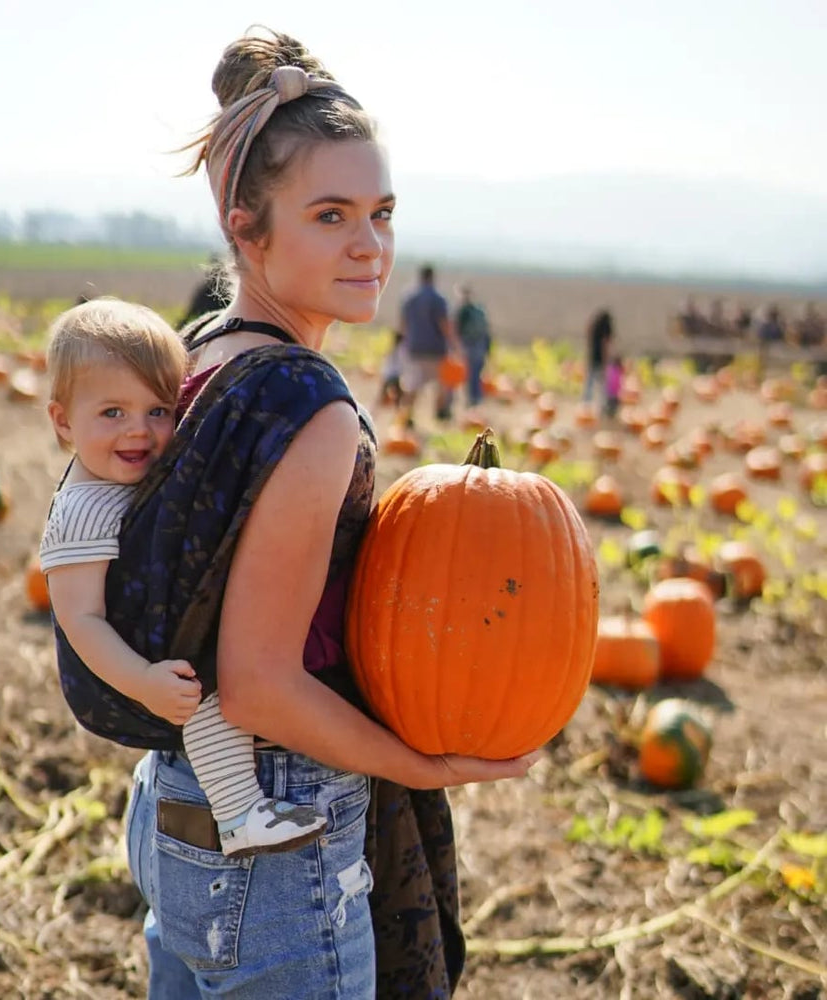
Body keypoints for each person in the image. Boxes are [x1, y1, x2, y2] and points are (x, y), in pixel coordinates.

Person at [50, 27, 537, 999]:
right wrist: (418, 762)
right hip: (275, 834)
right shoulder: (311, 414)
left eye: (381, 212)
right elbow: (262, 684)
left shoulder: (196, 354)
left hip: (176, 808)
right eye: (329, 214)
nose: (370, 244)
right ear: (246, 227)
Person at [40, 297, 327, 857]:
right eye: (113, 414)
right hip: (137, 655)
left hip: (154, 628)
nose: (139, 432)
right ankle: (240, 812)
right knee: (209, 696)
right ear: (62, 420)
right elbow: (80, 620)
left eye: (158, 411)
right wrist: (143, 679)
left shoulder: (116, 474)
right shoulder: (82, 510)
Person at [397, 264, 463, 425]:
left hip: (414, 348)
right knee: (442, 384)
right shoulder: (438, 298)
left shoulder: (409, 298)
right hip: (436, 349)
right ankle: (440, 415)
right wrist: (455, 346)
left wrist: (403, 343)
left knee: (413, 384)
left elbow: (403, 324)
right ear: (433, 277)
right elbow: (445, 324)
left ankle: (407, 417)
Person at [453, 283, 492, 407]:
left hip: (468, 347)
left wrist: (456, 347)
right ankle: (476, 400)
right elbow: (487, 331)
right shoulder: (479, 310)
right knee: (476, 375)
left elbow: (456, 330)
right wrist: (488, 349)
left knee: (469, 376)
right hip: (480, 347)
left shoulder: (463, 311)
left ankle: (472, 402)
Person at [582, 307, 613, 411]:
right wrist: (605, 361)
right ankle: (603, 405)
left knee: (590, 381)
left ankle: (586, 403)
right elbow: (605, 346)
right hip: (600, 358)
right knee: (602, 383)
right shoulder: (605, 329)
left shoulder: (594, 328)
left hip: (592, 356)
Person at [604, 353, 624, 418]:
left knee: (611, 404)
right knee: (613, 404)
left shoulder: (610, 368)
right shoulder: (617, 370)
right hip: (613, 392)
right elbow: (618, 382)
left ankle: (610, 414)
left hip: (610, 391)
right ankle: (610, 414)